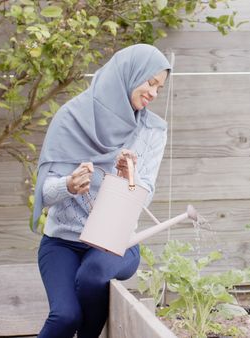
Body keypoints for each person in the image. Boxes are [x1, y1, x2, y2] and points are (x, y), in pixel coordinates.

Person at [30, 44, 171, 338]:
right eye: (150, 82)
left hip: (117, 242)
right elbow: (45, 193)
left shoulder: (152, 130)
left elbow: (144, 192)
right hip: (63, 242)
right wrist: (68, 185)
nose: (154, 93)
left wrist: (125, 179)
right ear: (127, 75)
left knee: (93, 274)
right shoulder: (70, 118)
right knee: (65, 316)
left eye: (160, 87)